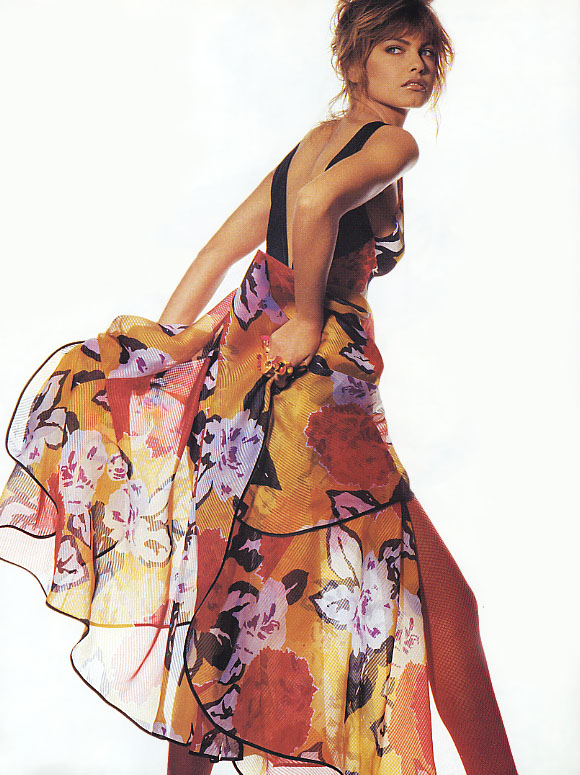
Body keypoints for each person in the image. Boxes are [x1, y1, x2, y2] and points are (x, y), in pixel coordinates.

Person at [0, 1, 519, 774]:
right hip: (315, 406)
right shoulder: (393, 143)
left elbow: (219, 252)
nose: (417, 66)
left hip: (244, 397)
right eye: (395, 48)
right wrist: (307, 317)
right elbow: (313, 207)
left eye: (426, 53)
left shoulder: (315, 142)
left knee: (228, 609)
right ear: (355, 61)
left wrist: (165, 350)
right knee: (446, 604)